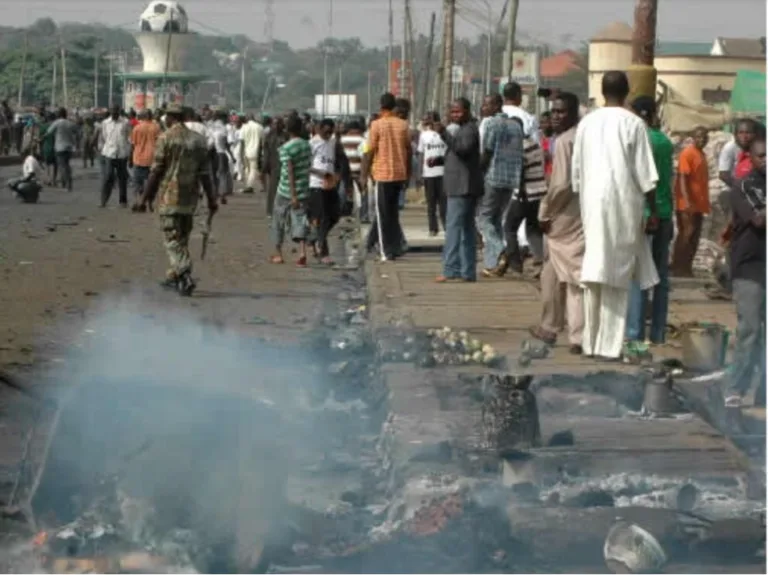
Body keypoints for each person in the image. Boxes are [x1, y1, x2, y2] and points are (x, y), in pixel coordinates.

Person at [573, 71, 659, 361]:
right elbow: (647, 175)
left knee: (595, 270)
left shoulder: (586, 123)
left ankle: (591, 342)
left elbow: (576, 173)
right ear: (627, 92)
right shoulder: (634, 124)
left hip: (592, 206)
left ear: (602, 90)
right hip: (623, 206)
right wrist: (652, 210)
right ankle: (609, 346)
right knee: (617, 275)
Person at [132, 104, 216, 296]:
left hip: (169, 197)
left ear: (170, 117)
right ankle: (174, 276)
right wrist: (212, 198)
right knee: (182, 238)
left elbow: (156, 171)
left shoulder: (165, 138)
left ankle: (184, 273)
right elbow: (205, 174)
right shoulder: (199, 140)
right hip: (190, 198)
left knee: (172, 238)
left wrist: (144, 198)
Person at [528, 92, 585, 354]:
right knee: (575, 274)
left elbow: (561, 185)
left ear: (573, 113)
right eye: (553, 112)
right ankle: (576, 334)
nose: (556, 117)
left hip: (565, 213)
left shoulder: (565, 141)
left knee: (554, 271)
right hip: (584, 212)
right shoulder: (584, 136)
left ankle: (551, 326)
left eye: (561, 112)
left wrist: (545, 212)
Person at [625, 96, 675, 347]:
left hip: (645, 214)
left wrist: (647, 211)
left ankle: (635, 333)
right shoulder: (664, 141)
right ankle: (658, 332)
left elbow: (645, 182)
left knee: (639, 276)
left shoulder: (640, 140)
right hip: (665, 213)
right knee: (661, 277)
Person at [724, 139, 766, 408]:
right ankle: (735, 388)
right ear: (750, 158)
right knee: (749, 329)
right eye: (762, 155)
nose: (767, 160)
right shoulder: (742, 187)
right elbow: (759, 220)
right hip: (750, 266)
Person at [435, 98, 483, 283]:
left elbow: (462, 149)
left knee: (454, 228)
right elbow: (459, 153)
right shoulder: (463, 129)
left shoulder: (469, 129)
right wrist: (440, 160)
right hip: (462, 185)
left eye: (458, 111)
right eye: (452, 112)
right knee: (466, 229)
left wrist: (443, 134)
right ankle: (467, 271)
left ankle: (451, 269)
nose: (454, 115)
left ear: (467, 111)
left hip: (462, 187)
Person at [477, 93, 523, 276]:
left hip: (493, 177)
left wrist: (479, 172)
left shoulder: (491, 123)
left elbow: (487, 152)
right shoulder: (516, 126)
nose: (483, 108)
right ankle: (493, 264)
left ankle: (501, 249)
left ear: (497, 106)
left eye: (487, 104)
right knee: (496, 220)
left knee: (483, 218)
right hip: (511, 179)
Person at [498, 117, 547, 276]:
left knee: (509, 228)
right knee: (533, 229)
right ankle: (540, 263)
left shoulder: (519, 147)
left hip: (525, 193)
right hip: (539, 192)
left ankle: (515, 264)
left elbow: (519, 171)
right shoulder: (533, 144)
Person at [365, 93, 411, 262]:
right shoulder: (403, 125)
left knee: (382, 214)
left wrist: (364, 175)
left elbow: (370, 151)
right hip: (399, 174)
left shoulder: (376, 125)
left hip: (382, 175)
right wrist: (408, 174)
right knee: (392, 214)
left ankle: (385, 251)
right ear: (394, 107)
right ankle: (394, 247)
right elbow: (408, 151)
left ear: (381, 106)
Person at [269, 115, 312, 267]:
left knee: (278, 221)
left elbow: (289, 171)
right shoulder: (307, 145)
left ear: (287, 129)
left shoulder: (286, 148)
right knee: (301, 221)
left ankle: (278, 253)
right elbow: (308, 166)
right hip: (303, 189)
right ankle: (302, 253)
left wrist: (293, 195)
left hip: (286, 190)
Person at [671, 126, 710, 277]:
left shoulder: (701, 154)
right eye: (699, 137)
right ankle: (678, 267)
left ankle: (686, 267)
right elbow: (682, 177)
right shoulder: (687, 153)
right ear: (693, 138)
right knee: (686, 234)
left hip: (699, 204)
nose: (702, 140)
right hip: (687, 204)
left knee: (694, 236)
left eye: (704, 137)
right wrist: (686, 200)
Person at [309, 118, 340, 265]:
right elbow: (307, 165)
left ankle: (315, 238)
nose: (328, 135)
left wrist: (335, 175)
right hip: (317, 184)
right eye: (326, 132)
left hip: (331, 184)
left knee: (335, 215)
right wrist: (322, 174)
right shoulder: (313, 143)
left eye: (331, 132)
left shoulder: (332, 142)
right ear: (319, 129)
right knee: (323, 217)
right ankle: (323, 251)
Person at [417, 111, 447, 236]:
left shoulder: (444, 134)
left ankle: (445, 227)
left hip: (442, 173)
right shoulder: (424, 135)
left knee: (442, 203)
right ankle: (434, 228)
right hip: (430, 174)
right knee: (432, 204)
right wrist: (420, 173)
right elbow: (421, 154)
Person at [99, 104, 131, 207]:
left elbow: (129, 137)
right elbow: (104, 137)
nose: (114, 113)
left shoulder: (125, 122)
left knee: (122, 178)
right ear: (110, 111)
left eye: (116, 111)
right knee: (108, 176)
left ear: (119, 111)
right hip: (109, 153)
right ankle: (103, 200)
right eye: (112, 111)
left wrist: (129, 152)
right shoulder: (105, 123)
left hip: (122, 154)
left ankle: (123, 201)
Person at [130, 109, 161, 200]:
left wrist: (130, 159)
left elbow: (133, 144)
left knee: (138, 183)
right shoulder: (157, 127)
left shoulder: (137, 128)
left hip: (138, 159)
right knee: (152, 183)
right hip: (152, 159)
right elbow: (160, 143)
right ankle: (149, 202)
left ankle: (139, 200)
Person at [261, 116, 289, 218]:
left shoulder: (286, 136)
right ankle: (271, 211)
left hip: (286, 166)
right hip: (273, 167)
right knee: (272, 190)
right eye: (274, 123)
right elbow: (266, 153)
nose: (276, 126)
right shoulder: (269, 136)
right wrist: (264, 168)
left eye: (278, 123)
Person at [46, 107, 77, 192]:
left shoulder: (57, 123)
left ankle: (67, 185)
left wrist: (41, 138)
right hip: (69, 147)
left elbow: (48, 132)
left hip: (60, 147)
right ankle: (67, 182)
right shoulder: (70, 123)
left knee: (62, 167)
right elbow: (77, 131)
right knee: (66, 165)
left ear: (58, 114)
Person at [340, 120, 366, 220]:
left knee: (345, 192)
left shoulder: (342, 140)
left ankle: (344, 213)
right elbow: (364, 157)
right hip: (358, 171)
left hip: (345, 172)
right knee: (362, 194)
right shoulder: (363, 140)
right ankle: (362, 215)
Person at [240, 114, 264, 193]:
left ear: (247, 118)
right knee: (253, 169)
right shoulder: (259, 127)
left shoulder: (244, 127)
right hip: (255, 151)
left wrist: (241, 153)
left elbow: (242, 142)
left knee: (247, 169)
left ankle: (248, 185)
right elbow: (262, 141)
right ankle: (249, 186)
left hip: (246, 151)